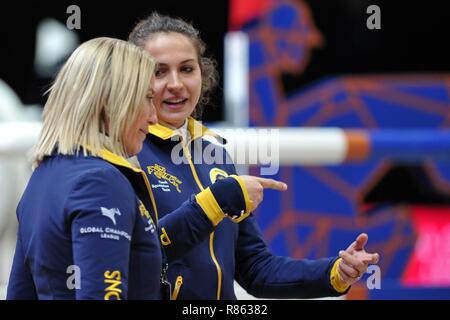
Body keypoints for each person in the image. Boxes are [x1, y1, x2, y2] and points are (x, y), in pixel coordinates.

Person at [6, 37, 285, 300]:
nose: (153, 117)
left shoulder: (44, 174)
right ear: (111, 102)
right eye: (146, 98)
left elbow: (19, 291)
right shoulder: (101, 181)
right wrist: (211, 205)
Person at [128, 13, 380, 300]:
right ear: (134, 79)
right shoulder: (125, 151)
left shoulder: (214, 154)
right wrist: (213, 203)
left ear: (203, 73)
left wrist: (335, 273)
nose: (175, 83)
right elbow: (136, 253)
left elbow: (256, 269)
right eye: (159, 72)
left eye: (187, 69)